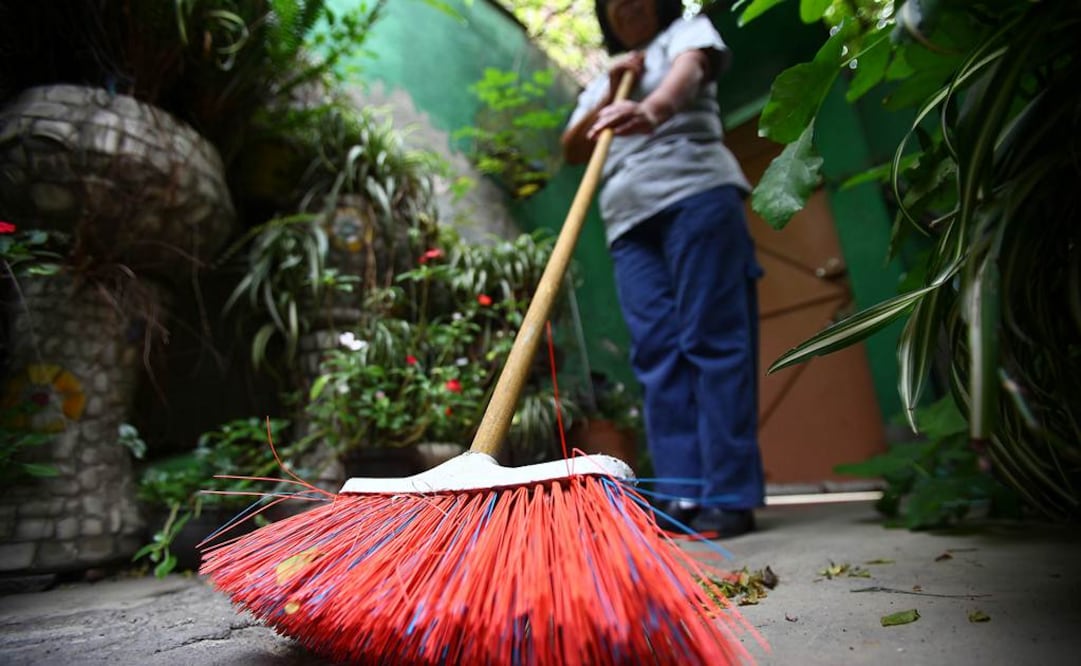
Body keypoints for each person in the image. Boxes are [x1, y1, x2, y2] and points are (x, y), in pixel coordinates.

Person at [561, 0, 764, 536]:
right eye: (614, 3)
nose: (627, 5)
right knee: (657, 354)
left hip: (694, 193)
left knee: (712, 341)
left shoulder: (685, 33)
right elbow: (572, 147)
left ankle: (727, 494)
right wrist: (609, 91)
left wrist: (650, 110)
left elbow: (690, 71)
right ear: (606, 16)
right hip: (628, 223)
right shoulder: (605, 79)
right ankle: (679, 495)